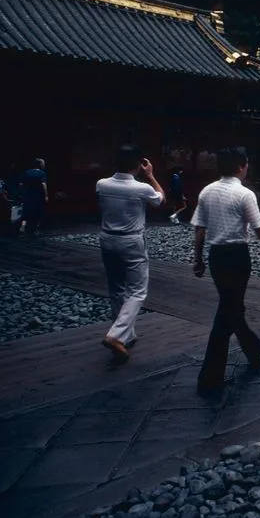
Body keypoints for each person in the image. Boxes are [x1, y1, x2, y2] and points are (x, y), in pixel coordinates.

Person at [192, 147, 260, 393]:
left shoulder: (206, 191)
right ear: (242, 166)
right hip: (237, 255)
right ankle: (210, 376)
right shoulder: (244, 194)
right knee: (227, 312)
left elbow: (199, 229)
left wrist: (197, 259)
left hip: (216, 256)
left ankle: (252, 346)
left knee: (232, 306)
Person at [96, 145, 165, 361]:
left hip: (106, 238)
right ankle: (116, 335)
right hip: (131, 240)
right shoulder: (141, 188)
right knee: (137, 291)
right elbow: (159, 200)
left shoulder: (101, 184)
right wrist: (151, 175)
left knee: (116, 287)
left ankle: (125, 335)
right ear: (138, 165)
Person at [20, 158, 48, 235]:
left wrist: (23, 192)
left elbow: (21, 184)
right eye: (43, 163)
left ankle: (23, 226)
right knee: (39, 211)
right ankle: (37, 228)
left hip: (28, 195)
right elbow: (43, 185)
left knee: (26, 210)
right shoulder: (42, 173)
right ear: (40, 164)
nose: (44, 165)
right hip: (38, 195)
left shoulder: (27, 172)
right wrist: (46, 195)